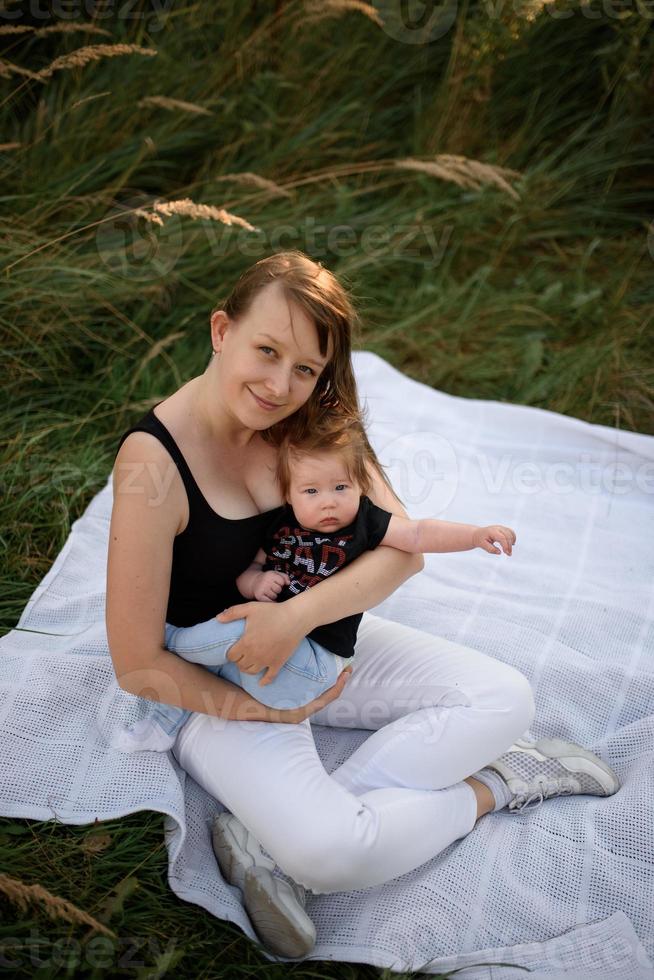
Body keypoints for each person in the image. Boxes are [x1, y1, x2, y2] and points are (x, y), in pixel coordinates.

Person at [106, 250, 620, 960]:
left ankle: (267, 840)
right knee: (331, 851)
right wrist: (267, 710)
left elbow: (401, 547)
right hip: (216, 683)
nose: (280, 384)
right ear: (221, 330)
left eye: (305, 368)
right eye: (266, 350)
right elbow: (136, 663)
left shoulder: (313, 423)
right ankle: (494, 787)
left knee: (505, 699)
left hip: (317, 649)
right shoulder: (153, 462)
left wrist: (293, 620)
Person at [112, 419, 520, 754]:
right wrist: (258, 582)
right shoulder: (279, 525)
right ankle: (168, 717)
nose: (328, 502)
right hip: (266, 659)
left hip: (311, 662)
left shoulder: (365, 522)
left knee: (236, 631)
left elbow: (417, 536)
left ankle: (170, 648)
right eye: (312, 491)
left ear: (359, 486)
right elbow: (246, 572)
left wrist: (475, 534)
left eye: (341, 487)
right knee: (227, 655)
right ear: (288, 494)